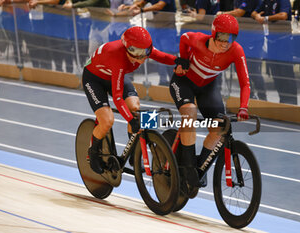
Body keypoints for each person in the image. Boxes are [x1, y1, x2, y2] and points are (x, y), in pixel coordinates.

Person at [83, 26, 188, 174]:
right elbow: (117, 96)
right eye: (137, 53)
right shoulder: (118, 57)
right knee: (107, 120)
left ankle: (134, 151)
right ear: (127, 48)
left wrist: (177, 60)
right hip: (94, 80)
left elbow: (160, 56)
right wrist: (130, 120)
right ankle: (92, 152)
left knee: (135, 108)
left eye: (145, 52)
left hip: (113, 75)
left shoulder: (142, 49)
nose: (142, 57)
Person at [169, 14, 250, 188]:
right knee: (190, 112)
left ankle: (199, 165)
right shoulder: (198, 40)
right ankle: (189, 166)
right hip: (184, 83)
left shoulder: (236, 50)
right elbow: (184, 38)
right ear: (214, 33)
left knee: (220, 127)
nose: (224, 43)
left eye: (231, 38)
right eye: (221, 37)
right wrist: (183, 59)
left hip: (208, 86)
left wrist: (244, 107)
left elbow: (245, 83)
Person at [217, 0, 267, 101]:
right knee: (238, 67)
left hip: (254, 38)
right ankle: (250, 95)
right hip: (242, 37)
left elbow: (240, 12)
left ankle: (263, 98)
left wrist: (222, 14)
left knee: (253, 69)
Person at [251, 0, 298, 104]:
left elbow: (283, 15)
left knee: (286, 73)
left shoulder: (283, 1)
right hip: (271, 42)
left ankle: (292, 104)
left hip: (284, 42)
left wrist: (266, 18)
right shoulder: (265, 1)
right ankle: (282, 101)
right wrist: (257, 16)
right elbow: (254, 12)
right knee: (276, 74)